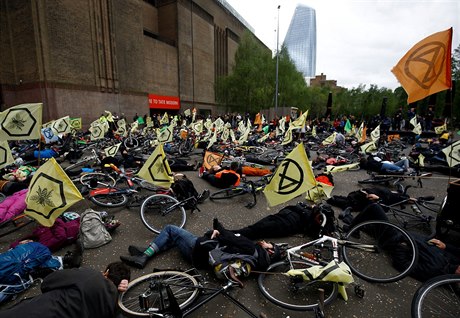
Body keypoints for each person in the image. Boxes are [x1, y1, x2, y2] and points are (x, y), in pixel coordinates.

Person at [338, 192, 460, 282]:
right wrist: (444, 245)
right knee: (373, 224)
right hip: (404, 234)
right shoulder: (452, 260)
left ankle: (351, 230)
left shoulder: (435, 269)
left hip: (396, 239)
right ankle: (350, 219)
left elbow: (403, 265)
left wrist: (401, 246)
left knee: (374, 207)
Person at [119, 219, 282, 274]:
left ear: (270, 250)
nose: (266, 241)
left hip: (199, 250)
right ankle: (146, 250)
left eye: (270, 244)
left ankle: (144, 256)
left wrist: (217, 226)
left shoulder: (251, 248)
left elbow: (228, 236)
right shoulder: (255, 260)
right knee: (175, 239)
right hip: (204, 261)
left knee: (170, 229)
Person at [0, 262, 131, 318]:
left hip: (40, 311)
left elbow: (47, 283)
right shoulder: (113, 304)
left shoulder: (90, 275)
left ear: (106, 272)